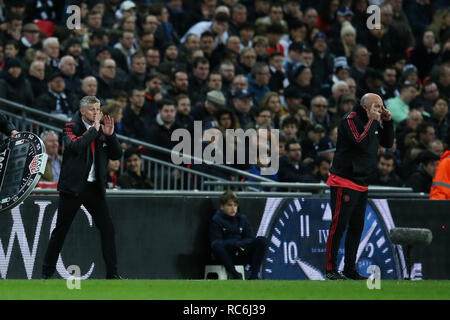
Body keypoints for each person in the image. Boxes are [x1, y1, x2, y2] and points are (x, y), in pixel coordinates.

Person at [42, 96, 123, 280]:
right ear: (82, 112)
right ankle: (47, 272)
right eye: (92, 110)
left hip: (94, 188)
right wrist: (94, 130)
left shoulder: (102, 130)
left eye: (98, 109)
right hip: (73, 188)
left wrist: (110, 137)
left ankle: (112, 274)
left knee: (107, 228)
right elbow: (76, 146)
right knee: (61, 230)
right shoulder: (71, 127)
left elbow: (117, 154)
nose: (96, 113)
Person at [325, 93, 394, 280]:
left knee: (357, 227)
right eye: (377, 106)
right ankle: (330, 269)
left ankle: (349, 269)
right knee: (339, 225)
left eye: (382, 106)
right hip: (344, 180)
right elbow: (360, 143)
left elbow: (387, 143)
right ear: (365, 107)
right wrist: (373, 121)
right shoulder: (350, 120)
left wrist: (388, 122)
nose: (380, 110)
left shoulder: (374, 122)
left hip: (362, 182)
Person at [209, 191, 269, 280]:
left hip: (241, 252)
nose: (233, 208)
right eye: (229, 205)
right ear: (222, 207)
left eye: (235, 205)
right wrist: (234, 244)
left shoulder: (242, 218)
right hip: (226, 255)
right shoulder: (216, 220)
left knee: (262, 241)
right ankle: (235, 274)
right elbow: (216, 242)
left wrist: (241, 244)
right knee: (216, 245)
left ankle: (254, 276)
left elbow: (250, 238)